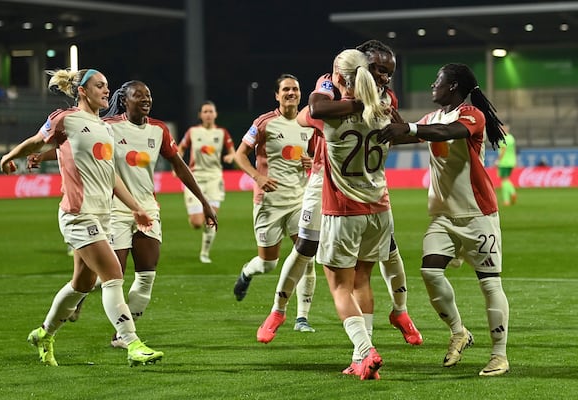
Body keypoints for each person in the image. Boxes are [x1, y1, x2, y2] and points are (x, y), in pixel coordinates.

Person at [257, 40, 423, 359]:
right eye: (379, 70)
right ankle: (278, 310)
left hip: (362, 180)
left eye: (389, 73)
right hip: (325, 175)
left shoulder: (382, 96)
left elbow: (397, 130)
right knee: (306, 246)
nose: (385, 78)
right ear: (360, 66)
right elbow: (317, 109)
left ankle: (396, 315)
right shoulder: (331, 84)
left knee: (385, 254)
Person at [26, 81, 219, 349]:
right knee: (110, 274)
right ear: (124, 100)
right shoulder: (109, 126)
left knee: (146, 277)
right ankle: (91, 307)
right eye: (138, 95)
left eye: (148, 95)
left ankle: (121, 336)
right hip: (114, 208)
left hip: (147, 208)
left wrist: (204, 202)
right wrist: (41, 157)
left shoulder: (158, 130)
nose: (145, 99)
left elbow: (179, 165)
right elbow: (77, 146)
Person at [0, 68, 164, 367]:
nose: (106, 90)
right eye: (99, 86)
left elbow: (111, 175)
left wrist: (136, 207)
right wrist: (10, 156)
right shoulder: (65, 118)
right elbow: (38, 141)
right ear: (82, 91)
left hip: (102, 216)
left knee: (82, 285)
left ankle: (44, 334)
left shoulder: (105, 128)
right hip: (78, 215)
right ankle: (132, 343)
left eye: (107, 85)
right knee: (113, 275)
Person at [376, 63, 510, 377]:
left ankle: (499, 355)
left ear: (452, 86)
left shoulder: (470, 115)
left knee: (490, 285)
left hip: (478, 216)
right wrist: (387, 124)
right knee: (429, 271)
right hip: (444, 218)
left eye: (437, 80)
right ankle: (459, 331)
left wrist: (407, 128)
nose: (432, 86)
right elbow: (410, 135)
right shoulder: (432, 118)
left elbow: (447, 133)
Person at [297, 48, 393, 380]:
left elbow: (304, 114)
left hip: (343, 211)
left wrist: (329, 87)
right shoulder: (384, 111)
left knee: (339, 287)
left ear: (339, 78)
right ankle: (358, 359)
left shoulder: (330, 116)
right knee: (363, 281)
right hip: (379, 209)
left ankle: (367, 351)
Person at [232, 74, 316, 333]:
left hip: (299, 201)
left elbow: (315, 157)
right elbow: (239, 154)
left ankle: (301, 318)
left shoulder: (309, 123)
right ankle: (248, 272)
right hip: (269, 203)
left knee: (307, 256)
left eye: (296, 89)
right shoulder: (264, 123)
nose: (292, 93)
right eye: (286, 90)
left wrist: (312, 162)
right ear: (277, 95)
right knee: (268, 264)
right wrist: (257, 176)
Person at [178, 101, 235, 263]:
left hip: (214, 178)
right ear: (200, 115)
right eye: (205, 111)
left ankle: (204, 253)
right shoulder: (193, 132)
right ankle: (201, 222)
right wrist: (177, 165)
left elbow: (233, 152)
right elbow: (180, 149)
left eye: (211, 111)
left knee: (211, 219)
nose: (208, 114)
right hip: (194, 178)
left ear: (215, 114)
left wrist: (230, 157)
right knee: (196, 222)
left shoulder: (222, 133)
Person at [495, 126, 517, 206]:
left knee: (504, 180)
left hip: (504, 162)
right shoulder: (511, 138)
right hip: (511, 161)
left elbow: (503, 150)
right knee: (506, 179)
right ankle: (512, 193)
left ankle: (508, 197)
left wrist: (498, 160)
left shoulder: (502, 138)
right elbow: (513, 150)